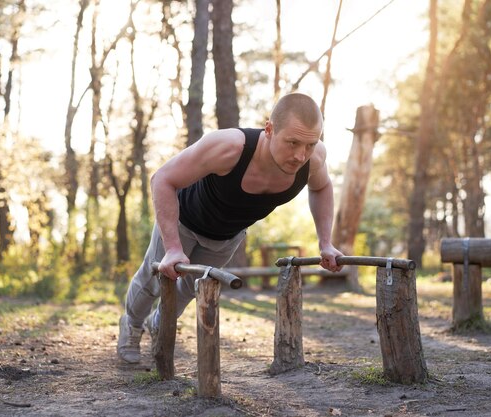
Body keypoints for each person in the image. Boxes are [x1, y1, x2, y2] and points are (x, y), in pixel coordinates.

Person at [118, 92, 343, 363]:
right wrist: (173, 248)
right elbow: (162, 179)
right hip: (183, 221)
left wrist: (325, 243)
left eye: (309, 144)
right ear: (269, 129)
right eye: (292, 142)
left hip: (227, 236)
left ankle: (159, 323)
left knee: (191, 288)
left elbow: (322, 188)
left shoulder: (314, 159)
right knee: (155, 278)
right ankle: (131, 325)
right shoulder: (229, 147)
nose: (300, 155)